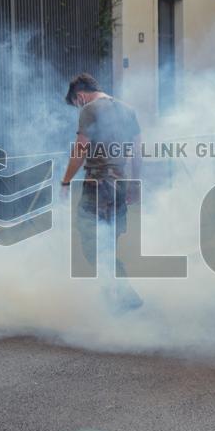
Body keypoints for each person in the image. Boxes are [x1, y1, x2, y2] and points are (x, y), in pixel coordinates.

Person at [60, 73, 144, 312]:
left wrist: (66, 181)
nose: (78, 106)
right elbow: (137, 151)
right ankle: (111, 297)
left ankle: (124, 291)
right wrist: (135, 184)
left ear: (80, 96)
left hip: (97, 184)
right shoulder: (127, 110)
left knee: (90, 241)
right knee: (109, 241)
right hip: (120, 183)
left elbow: (80, 149)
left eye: (76, 102)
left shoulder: (89, 109)